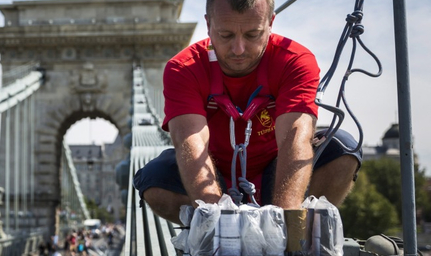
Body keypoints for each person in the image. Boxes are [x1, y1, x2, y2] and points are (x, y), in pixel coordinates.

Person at [132, 0, 361, 225]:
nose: (238, 49)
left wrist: (283, 223)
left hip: (276, 168)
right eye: (226, 35)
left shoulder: (296, 60)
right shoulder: (182, 68)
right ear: (208, 24)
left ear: (271, 22)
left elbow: (296, 138)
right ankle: (205, 230)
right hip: (213, 170)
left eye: (253, 35)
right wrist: (219, 222)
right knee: (154, 180)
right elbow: (190, 143)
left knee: (343, 148)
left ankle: (305, 231)